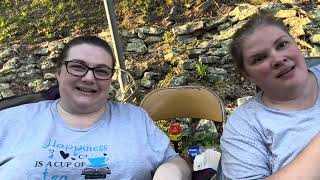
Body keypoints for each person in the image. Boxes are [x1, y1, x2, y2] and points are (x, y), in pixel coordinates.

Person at [0, 36, 191, 179]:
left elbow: (174, 160)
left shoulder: (135, 118)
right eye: (77, 67)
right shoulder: (11, 120)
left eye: (101, 71)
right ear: (58, 72)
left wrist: (171, 171)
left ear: (110, 79)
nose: (89, 78)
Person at [220, 12, 320, 179]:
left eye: (281, 45)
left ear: (296, 44)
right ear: (248, 75)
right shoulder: (245, 126)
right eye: (259, 58)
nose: (278, 59)